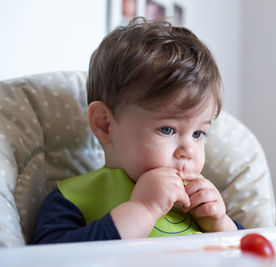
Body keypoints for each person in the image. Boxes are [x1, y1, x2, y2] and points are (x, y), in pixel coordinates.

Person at [31, 17, 243, 244]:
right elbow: (49, 258)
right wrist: (144, 209)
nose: (188, 151)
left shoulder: (199, 205)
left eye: (198, 134)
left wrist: (221, 224)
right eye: (167, 129)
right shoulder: (72, 199)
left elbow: (251, 253)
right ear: (105, 124)